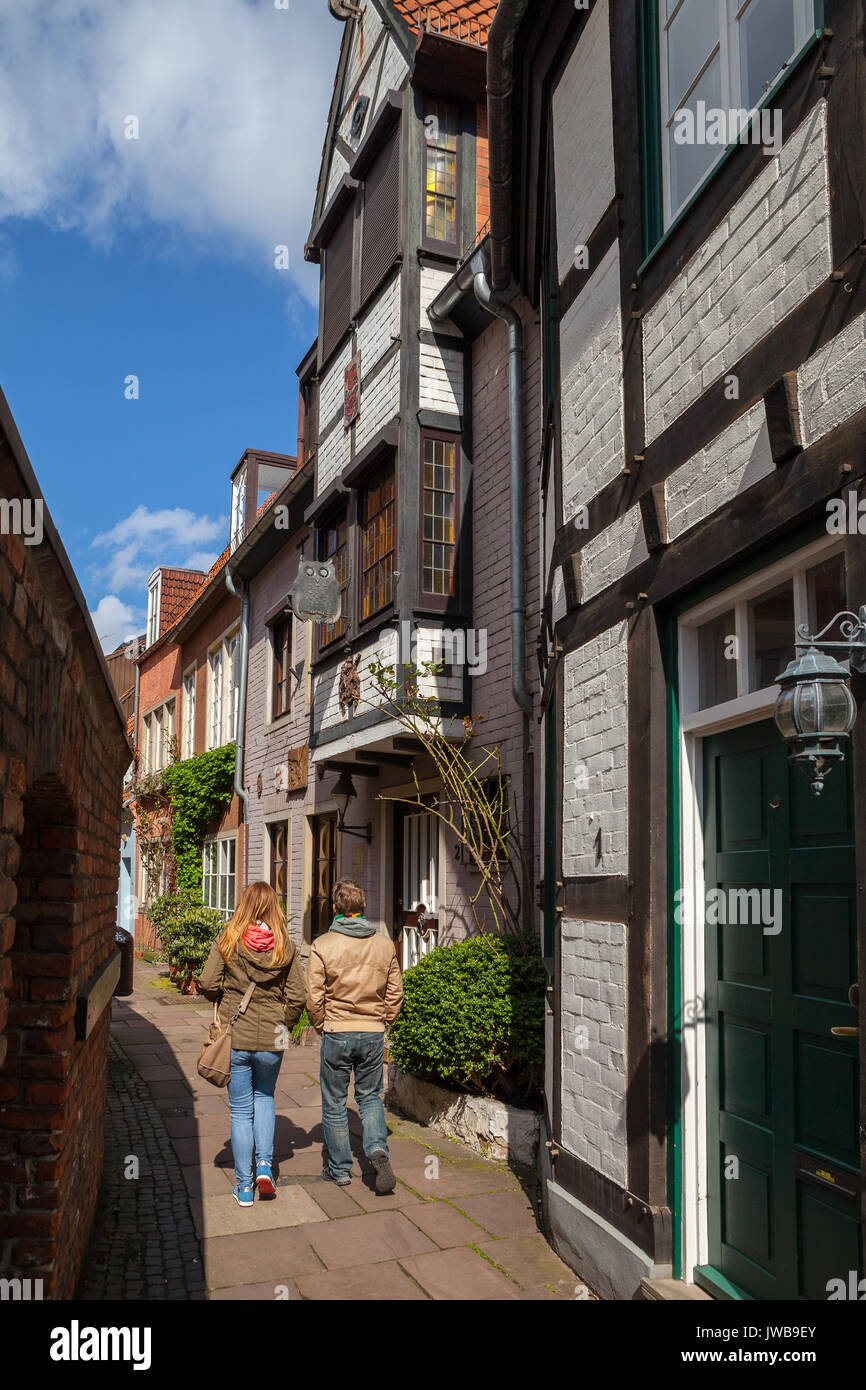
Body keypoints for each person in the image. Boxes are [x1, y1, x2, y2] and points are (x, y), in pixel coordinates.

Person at [199, 881, 306, 1208]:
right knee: (265, 1099)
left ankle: (244, 1187)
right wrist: (282, 1023)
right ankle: (264, 1168)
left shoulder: (229, 938)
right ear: (274, 907)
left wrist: (223, 1001)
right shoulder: (284, 945)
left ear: (244, 906)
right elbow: (299, 997)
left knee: (241, 1111)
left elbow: (205, 982)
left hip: (237, 1035)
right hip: (271, 1038)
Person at [306, 878, 403, 1193]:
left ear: (335, 909)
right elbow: (395, 994)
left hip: (336, 1031)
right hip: (373, 1032)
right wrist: (383, 1021)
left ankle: (340, 1170)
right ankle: (377, 1150)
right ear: (363, 908)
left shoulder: (323, 945)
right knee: (370, 1097)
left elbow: (313, 996)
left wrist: (322, 1024)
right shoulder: (385, 944)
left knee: (335, 1101)